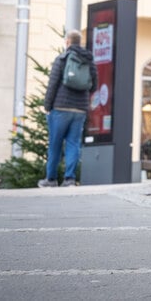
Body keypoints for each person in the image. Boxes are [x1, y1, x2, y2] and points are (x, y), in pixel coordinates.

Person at [38, 30, 97, 188]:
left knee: (55, 144)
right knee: (73, 143)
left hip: (60, 107)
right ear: (79, 41)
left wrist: (47, 105)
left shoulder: (62, 59)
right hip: (79, 110)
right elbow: (94, 85)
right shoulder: (89, 60)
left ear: (67, 42)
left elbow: (53, 84)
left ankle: (50, 179)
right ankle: (69, 179)